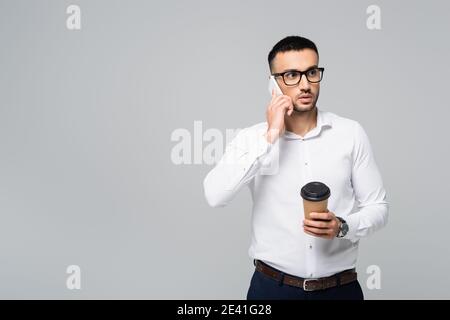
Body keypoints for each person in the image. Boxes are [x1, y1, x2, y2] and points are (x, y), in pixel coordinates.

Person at [203, 35, 389, 300]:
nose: (305, 85)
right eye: (291, 75)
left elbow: (378, 208)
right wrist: (270, 136)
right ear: (273, 84)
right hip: (272, 290)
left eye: (312, 73)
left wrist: (343, 226)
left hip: (340, 291)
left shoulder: (350, 133)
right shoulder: (251, 139)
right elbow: (215, 195)